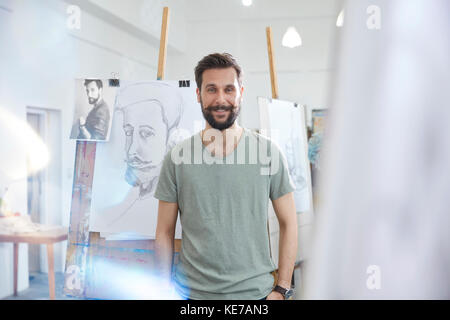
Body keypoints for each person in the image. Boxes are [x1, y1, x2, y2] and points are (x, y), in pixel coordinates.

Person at [154, 53, 298, 300]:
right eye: (211, 89)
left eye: (229, 89)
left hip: (256, 295)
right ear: (198, 94)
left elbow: (289, 223)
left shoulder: (267, 153)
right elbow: (164, 232)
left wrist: (282, 288)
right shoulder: (177, 158)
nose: (220, 99)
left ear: (241, 92)